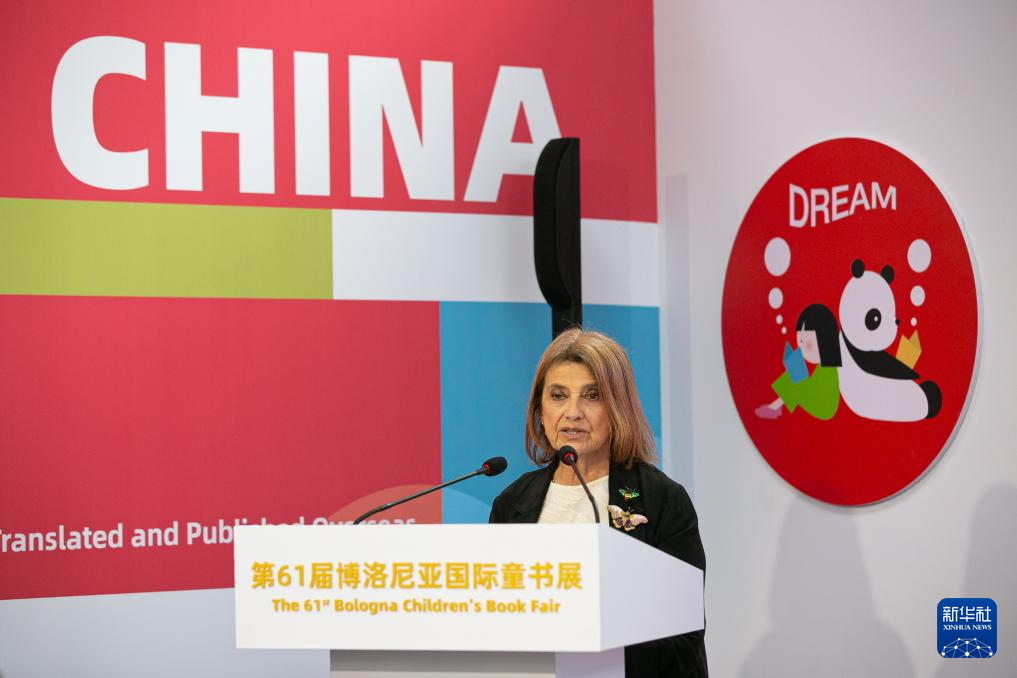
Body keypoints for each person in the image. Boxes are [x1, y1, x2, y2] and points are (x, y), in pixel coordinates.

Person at [489, 328, 708, 677]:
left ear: (618, 408)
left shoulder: (662, 501)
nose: (573, 412)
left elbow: (682, 640)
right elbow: (496, 620)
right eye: (558, 396)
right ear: (540, 411)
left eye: (592, 396)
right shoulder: (511, 504)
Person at [755, 303, 841, 420]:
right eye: (800, 342)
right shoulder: (824, 366)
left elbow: (820, 393)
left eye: (808, 344)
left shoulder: (828, 369)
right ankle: (775, 406)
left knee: (796, 376)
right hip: (817, 399)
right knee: (796, 375)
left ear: (824, 340)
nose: (802, 349)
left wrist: (799, 376)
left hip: (824, 407)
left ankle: (775, 407)